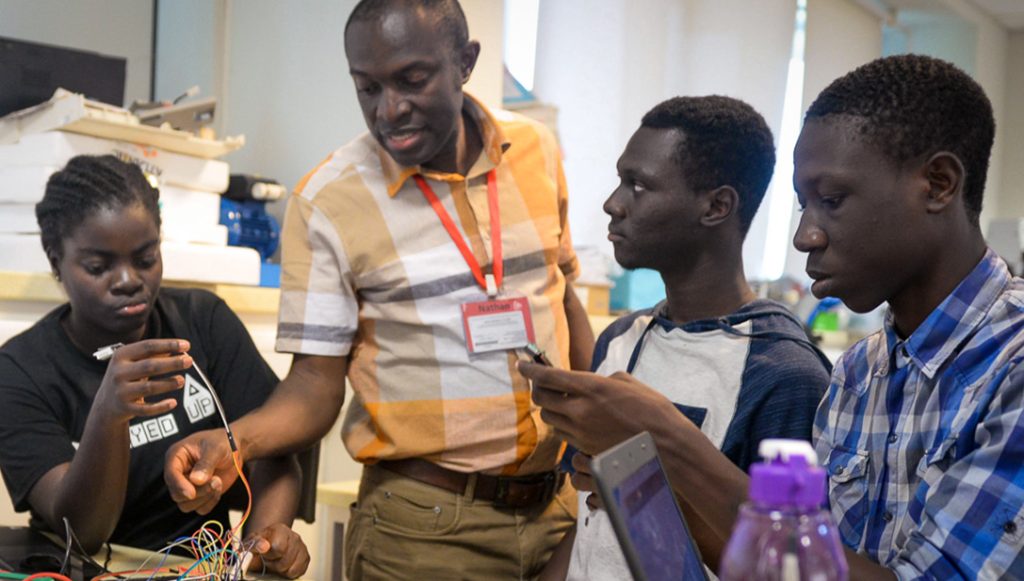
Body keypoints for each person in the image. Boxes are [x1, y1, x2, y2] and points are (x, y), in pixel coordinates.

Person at [521, 53, 1023, 579]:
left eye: (832, 199)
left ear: (938, 184)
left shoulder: (1012, 369)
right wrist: (649, 498)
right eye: (803, 205)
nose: (805, 236)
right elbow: (797, 569)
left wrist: (668, 443)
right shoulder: (859, 373)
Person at [164, 0, 594, 578]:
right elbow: (315, 383)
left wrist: (603, 436)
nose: (390, 109)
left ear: (465, 63)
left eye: (411, 81)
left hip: (561, 506)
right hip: (427, 528)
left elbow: (564, 297)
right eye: (367, 88)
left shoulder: (536, 150)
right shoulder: (329, 200)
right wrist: (234, 443)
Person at [538, 96, 831, 581]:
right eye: (619, 180)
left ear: (716, 206)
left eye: (638, 185)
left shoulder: (785, 377)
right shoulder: (621, 340)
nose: (613, 203)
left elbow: (780, 566)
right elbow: (593, 524)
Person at [0, 155, 310, 579]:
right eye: (98, 266)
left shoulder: (203, 321)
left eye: (146, 258)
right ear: (55, 261)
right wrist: (109, 414)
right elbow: (82, 532)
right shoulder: (20, 369)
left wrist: (256, 553)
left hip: (205, 568)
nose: (128, 279)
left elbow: (275, 453)